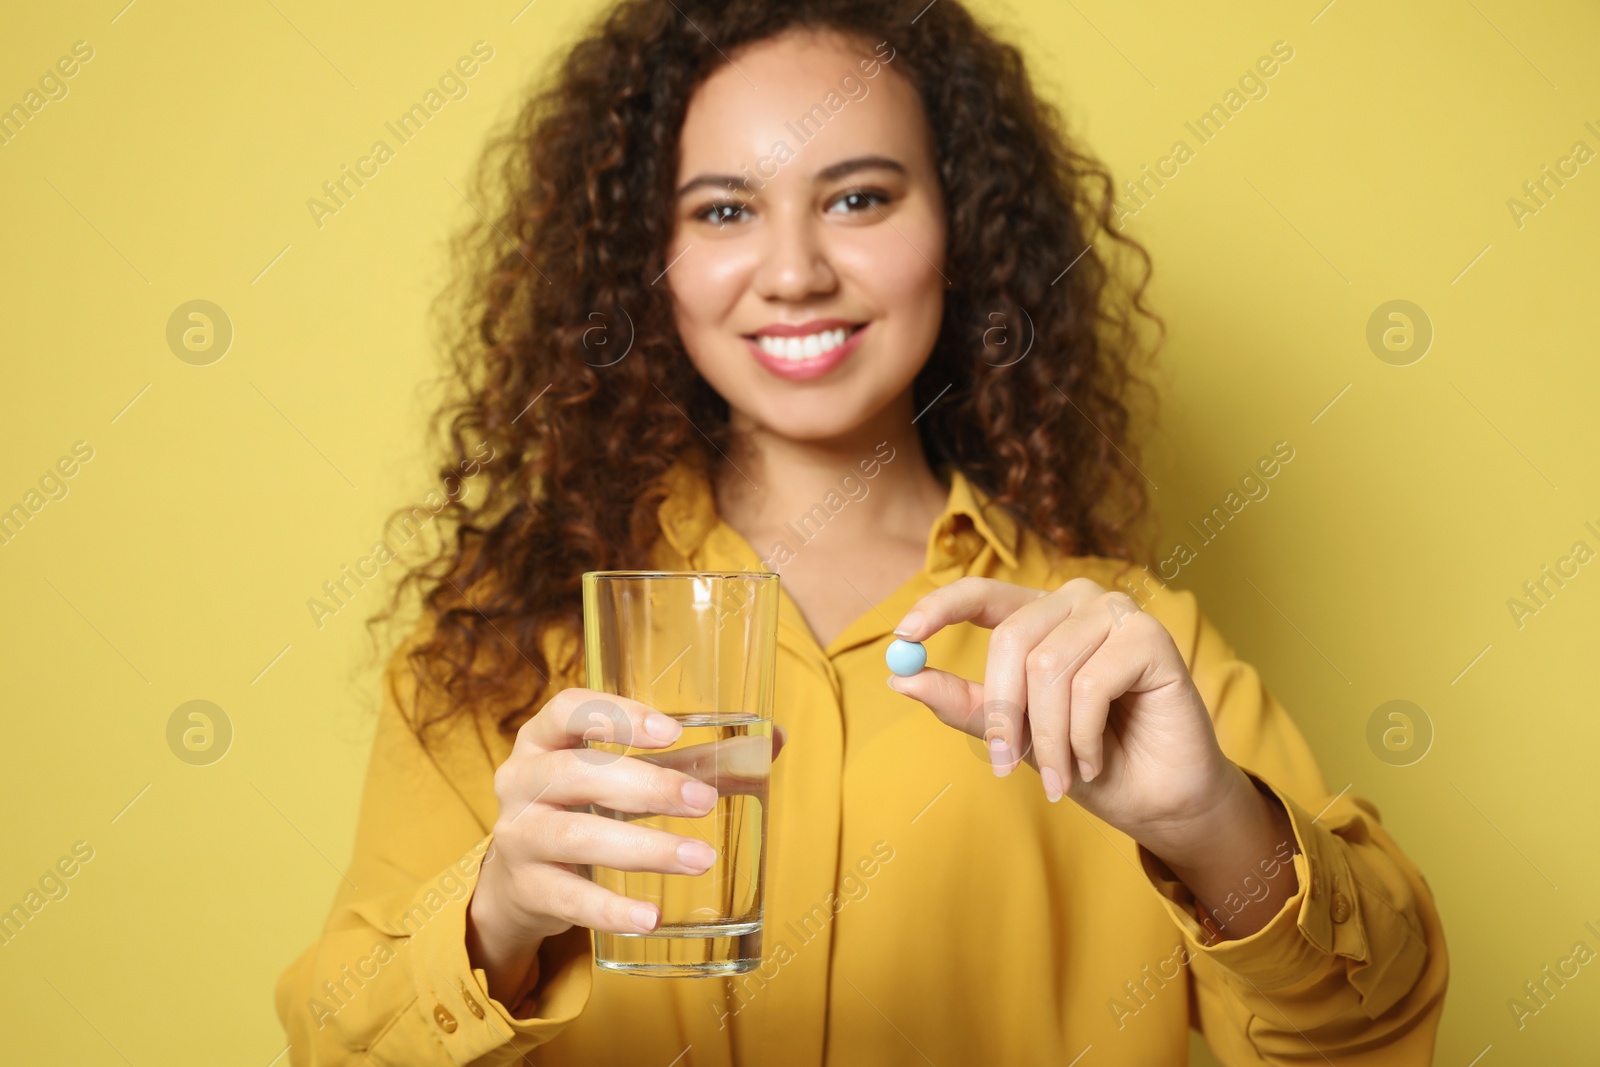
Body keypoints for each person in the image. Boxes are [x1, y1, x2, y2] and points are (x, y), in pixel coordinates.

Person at [274, 0, 1448, 1062]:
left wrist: (1214, 830)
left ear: (961, 230)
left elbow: (1372, 1038)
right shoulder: (505, 643)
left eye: (858, 197)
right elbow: (334, 1041)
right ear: (651, 263)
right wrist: (498, 917)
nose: (793, 270)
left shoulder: (1128, 653)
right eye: (724, 209)